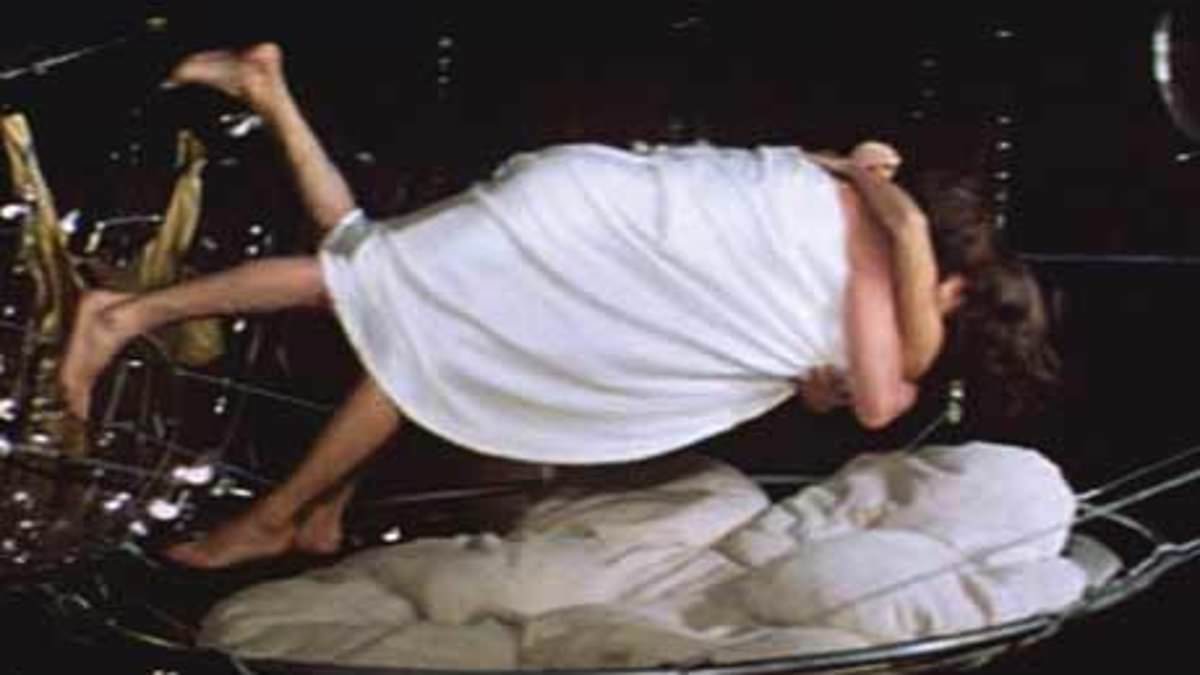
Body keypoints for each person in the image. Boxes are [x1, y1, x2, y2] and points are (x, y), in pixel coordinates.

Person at [57, 44, 1056, 568]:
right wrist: (898, 224)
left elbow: (802, 336)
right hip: (578, 225)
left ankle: (269, 91)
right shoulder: (898, 280)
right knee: (381, 297)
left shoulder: (844, 197)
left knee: (381, 275)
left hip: (586, 210)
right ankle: (125, 322)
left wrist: (875, 190)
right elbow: (879, 402)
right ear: (956, 291)